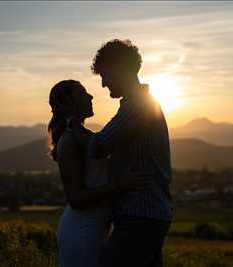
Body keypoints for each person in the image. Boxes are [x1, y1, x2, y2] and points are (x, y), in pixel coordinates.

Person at [70, 39, 173, 267]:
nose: (104, 83)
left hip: (140, 215)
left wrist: (73, 127)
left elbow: (98, 146)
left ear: (121, 69)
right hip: (150, 214)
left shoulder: (137, 107)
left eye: (105, 75)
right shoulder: (143, 104)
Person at [48, 79, 150, 267]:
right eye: (82, 93)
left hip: (96, 228)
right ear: (70, 103)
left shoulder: (85, 137)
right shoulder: (69, 142)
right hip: (82, 229)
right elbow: (75, 198)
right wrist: (119, 185)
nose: (91, 96)